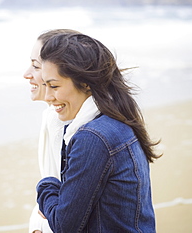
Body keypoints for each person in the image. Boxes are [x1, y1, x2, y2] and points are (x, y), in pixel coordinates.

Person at [36, 33, 161, 232]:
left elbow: (64, 225)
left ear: (85, 83)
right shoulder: (118, 120)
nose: (48, 97)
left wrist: (46, 185)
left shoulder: (93, 138)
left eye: (54, 86)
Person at [24, 29, 99, 233]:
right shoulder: (54, 116)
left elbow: (64, 212)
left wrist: (40, 222)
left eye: (36, 66)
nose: (27, 74)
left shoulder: (80, 129)